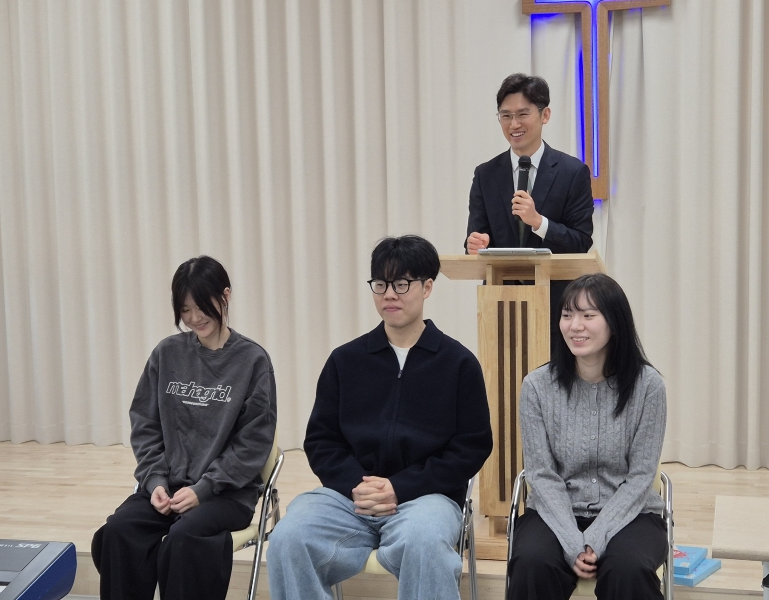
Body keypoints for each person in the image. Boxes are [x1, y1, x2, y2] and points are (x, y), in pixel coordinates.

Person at [267, 235, 493, 600]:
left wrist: (400, 487)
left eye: (402, 284)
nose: (390, 294)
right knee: (289, 536)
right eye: (381, 284)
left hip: (426, 499)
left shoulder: (458, 363)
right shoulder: (346, 360)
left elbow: (472, 447)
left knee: (425, 541)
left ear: (427, 287)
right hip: (350, 498)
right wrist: (357, 485)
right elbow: (321, 440)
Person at [91, 256, 277, 600]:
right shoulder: (167, 353)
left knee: (184, 538)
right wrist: (155, 482)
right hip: (169, 487)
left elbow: (253, 444)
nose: (194, 318)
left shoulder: (252, 360)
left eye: (202, 307)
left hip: (225, 494)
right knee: (119, 530)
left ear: (225, 296)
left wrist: (204, 489)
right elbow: (145, 425)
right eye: (185, 309)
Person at [508, 273, 667, 600]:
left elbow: (641, 476)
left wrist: (596, 537)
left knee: (629, 568)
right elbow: (541, 474)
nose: (575, 326)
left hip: (632, 513)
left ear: (615, 323)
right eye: (567, 315)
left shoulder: (648, 386)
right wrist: (573, 541)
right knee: (532, 563)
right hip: (554, 511)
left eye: (588, 315)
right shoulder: (536, 386)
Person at [465, 73, 594, 255]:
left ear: (545, 115)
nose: (514, 124)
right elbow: (476, 239)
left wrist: (538, 222)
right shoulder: (485, 175)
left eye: (522, 114)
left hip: (553, 275)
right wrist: (475, 245)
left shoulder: (573, 172)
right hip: (501, 275)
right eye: (506, 115)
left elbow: (581, 242)